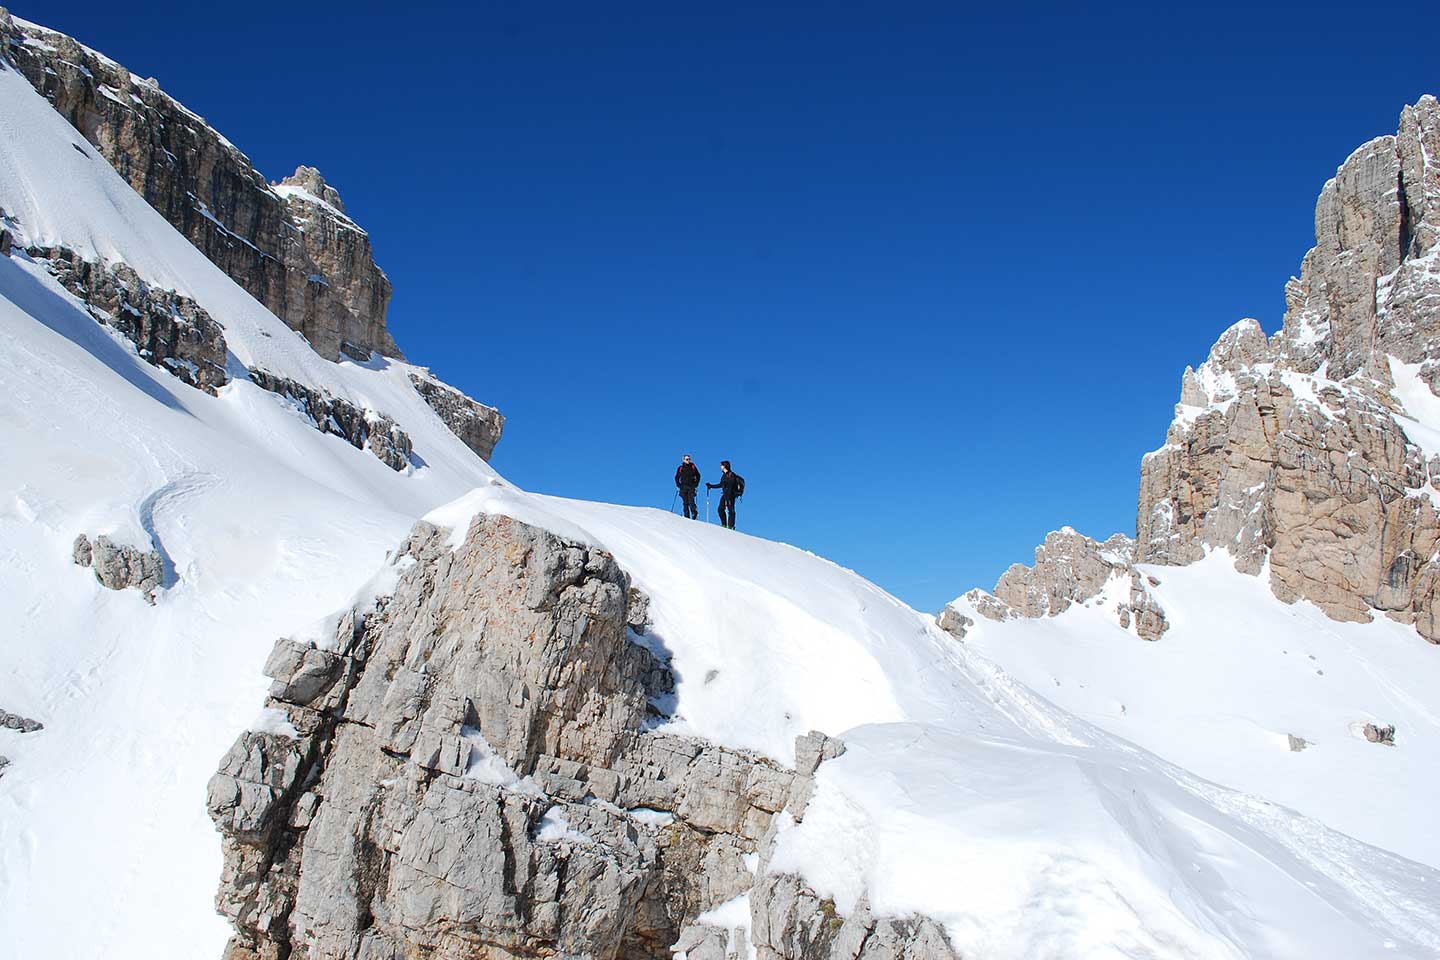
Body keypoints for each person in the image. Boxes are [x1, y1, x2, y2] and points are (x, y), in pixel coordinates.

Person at [706, 459, 744, 529]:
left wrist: (737, 493)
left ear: (725, 466)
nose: (720, 466)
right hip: (725, 495)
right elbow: (721, 485)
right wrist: (711, 486)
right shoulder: (724, 476)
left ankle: (731, 526)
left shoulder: (732, 475)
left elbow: (733, 484)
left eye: (721, 465)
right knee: (720, 509)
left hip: (731, 495)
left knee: (731, 510)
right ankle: (724, 524)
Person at [675, 454, 701, 520]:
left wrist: (696, 484)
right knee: (685, 502)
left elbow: (698, 475)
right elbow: (676, 477)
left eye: (689, 459)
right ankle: (687, 517)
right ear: (683, 460)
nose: (688, 460)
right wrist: (678, 485)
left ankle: (694, 513)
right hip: (683, 487)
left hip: (691, 486)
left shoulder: (693, 466)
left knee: (691, 501)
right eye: (687, 459)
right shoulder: (680, 468)